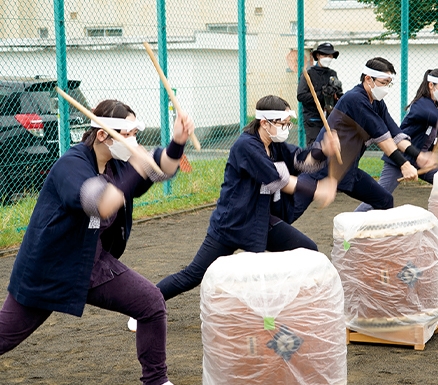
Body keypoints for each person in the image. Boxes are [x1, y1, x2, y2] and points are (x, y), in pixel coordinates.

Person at [0, 99, 195, 385]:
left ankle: (156, 381)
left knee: (152, 303)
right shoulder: (72, 165)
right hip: (50, 269)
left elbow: (161, 169)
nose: (134, 142)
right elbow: (101, 204)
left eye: (134, 134)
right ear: (103, 135)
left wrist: (178, 141)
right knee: (5, 336)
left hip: (92, 261)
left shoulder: (118, 163)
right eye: (128, 135)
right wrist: (137, 169)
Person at [149, 95, 338, 305]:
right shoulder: (246, 145)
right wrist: (316, 189)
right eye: (282, 124)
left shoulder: (275, 145)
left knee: (306, 250)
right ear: (264, 123)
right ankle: (145, 303)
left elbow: (300, 160)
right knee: (193, 274)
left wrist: (321, 151)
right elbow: (278, 180)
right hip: (233, 223)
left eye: (288, 123)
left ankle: (290, 305)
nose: (286, 128)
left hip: (260, 221)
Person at [291, 57, 435, 220]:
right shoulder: (355, 99)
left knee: (384, 200)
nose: (386, 87)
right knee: (291, 212)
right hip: (322, 167)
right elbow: (383, 140)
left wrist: (418, 156)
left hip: (346, 169)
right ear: (368, 79)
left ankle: (362, 243)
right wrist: (404, 164)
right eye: (384, 82)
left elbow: (395, 134)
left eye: (389, 83)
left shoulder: (377, 102)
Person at [355, 68, 438, 212]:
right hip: (401, 158)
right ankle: (351, 224)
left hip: (423, 162)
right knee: (379, 197)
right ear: (431, 85)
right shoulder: (422, 105)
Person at [297, 42, 343, 145]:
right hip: (313, 119)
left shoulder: (332, 73)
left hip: (330, 118)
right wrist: (322, 94)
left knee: (330, 149)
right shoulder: (308, 73)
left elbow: (337, 95)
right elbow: (301, 96)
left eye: (330, 55)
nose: (328, 58)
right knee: (315, 149)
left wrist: (337, 95)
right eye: (325, 55)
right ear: (317, 56)